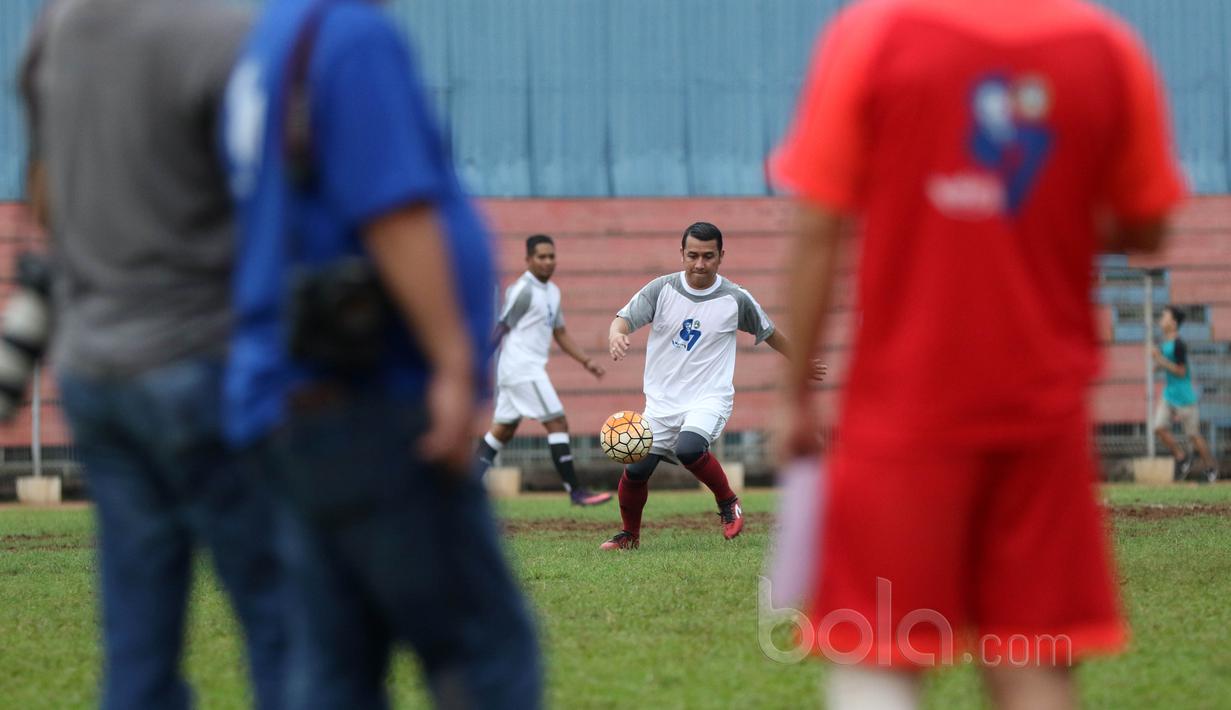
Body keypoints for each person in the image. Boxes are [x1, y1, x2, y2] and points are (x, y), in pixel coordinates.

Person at [770, 0, 1185, 708]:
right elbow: (1147, 227)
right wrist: (1032, 211)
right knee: (1032, 658)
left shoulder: (873, 37)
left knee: (877, 648)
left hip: (904, 410)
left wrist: (793, 397)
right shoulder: (1107, 49)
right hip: (1041, 411)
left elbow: (818, 228)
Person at [220, 0, 541, 707]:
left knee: (335, 666)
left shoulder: (267, 40)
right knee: (482, 653)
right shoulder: (351, 36)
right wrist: (452, 363)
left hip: (291, 398)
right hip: (372, 396)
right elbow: (393, 211)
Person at [19, 2, 287, 708]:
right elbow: (273, 197)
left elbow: (44, 196)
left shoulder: (60, 26)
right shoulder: (226, 34)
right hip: (204, 357)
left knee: (138, 641)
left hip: (95, 368)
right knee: (284, 617)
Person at [602, 221, 826, 550]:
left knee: (689, 449)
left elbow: (769, 332)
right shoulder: (661, 289)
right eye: (693, 255)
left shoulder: (735, 298)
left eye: (708, 256)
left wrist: (800, 359)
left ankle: (728, 503)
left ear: (721, 256)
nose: (700, 264)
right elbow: (622, 319)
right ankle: (629, 535)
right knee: (636, 470)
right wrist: (616, 335)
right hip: (661, 403)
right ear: (682, 254)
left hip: (709, 397)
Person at [475, 233, 613, 506]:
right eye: (541, 257)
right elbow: (502, 327)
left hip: (522, 371)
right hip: (522, 369)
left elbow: (559, 332)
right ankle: (575, 491)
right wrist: (478, 364)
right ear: (528, 260)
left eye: (551, 256)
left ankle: (456, 489)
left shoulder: (552, 292)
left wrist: (586, 362)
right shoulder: (523, 290)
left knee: (502, 431)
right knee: (557, 422)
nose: (548, 261)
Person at [1152, 305, 1218, 482]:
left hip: (1184, 396)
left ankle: (1211, 468)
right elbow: (1164, 364)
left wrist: (1160, 361)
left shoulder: (1179, 344)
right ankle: (1181, 457)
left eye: (1164, 317)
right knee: (1158, 427)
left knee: (1193, 435)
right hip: (1169, 394)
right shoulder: (1164, 344)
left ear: (1173, 323)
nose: (1161, 320)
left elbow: (1181, 372)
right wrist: (1157, 364)